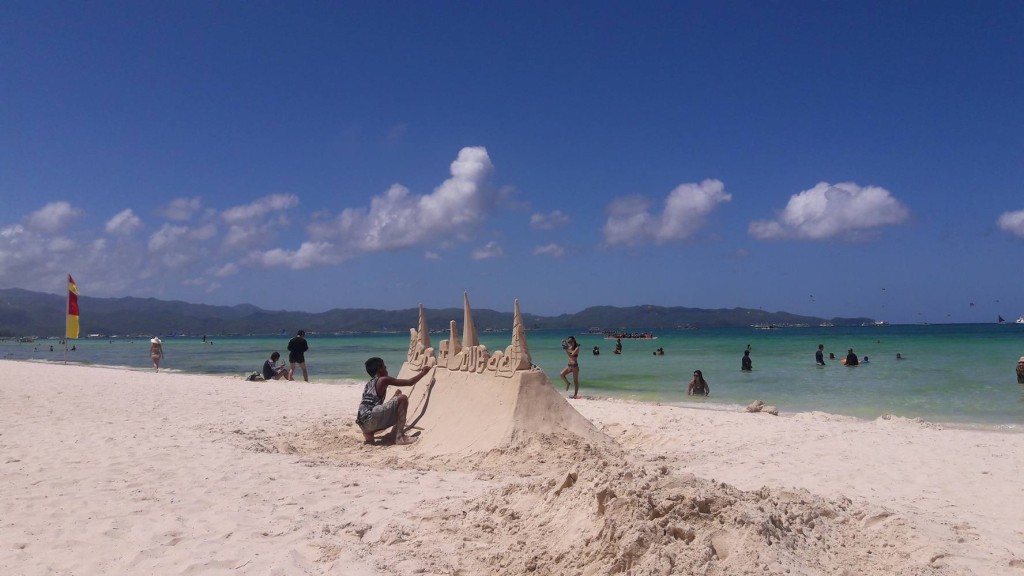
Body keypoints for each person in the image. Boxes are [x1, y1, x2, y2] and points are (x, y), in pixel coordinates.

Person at [355, 357, 432, 445]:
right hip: (371, 418)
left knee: (394, 399)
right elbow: (409, 382)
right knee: (402, 398)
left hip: (362, 423)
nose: (386, 368)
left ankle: (369, 434)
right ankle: (400, 437)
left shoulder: (368, 384)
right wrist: (423, 372)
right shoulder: (383, 379)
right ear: (379, 369)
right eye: (384, 367)